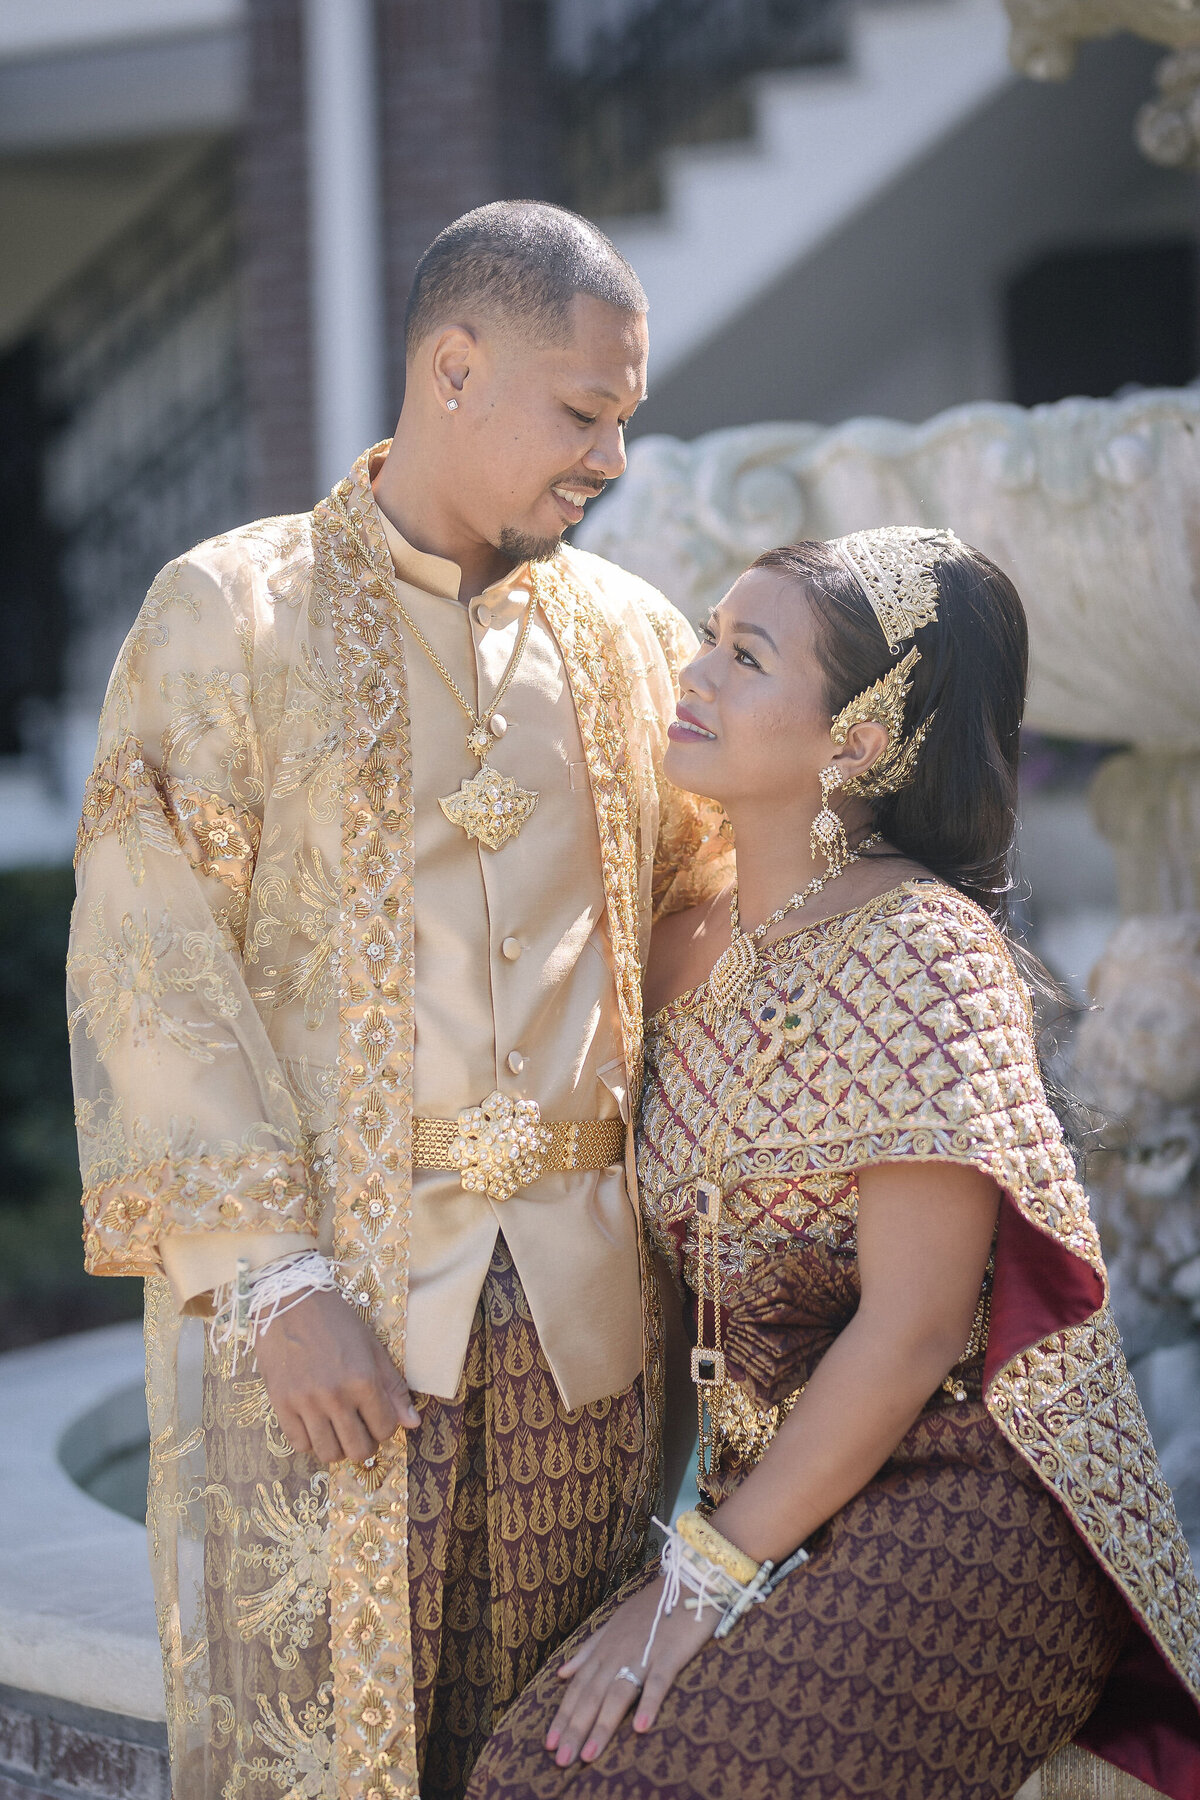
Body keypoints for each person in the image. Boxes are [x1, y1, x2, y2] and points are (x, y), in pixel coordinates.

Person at [67, 201, 729, 1800]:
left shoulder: (639, 639)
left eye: (625, 420)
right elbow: (146, 946)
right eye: (584, 412)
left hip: (596, 1343)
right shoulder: (233, 612)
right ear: (453, 365)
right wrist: (275, 1282)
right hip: (337, 1329)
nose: (612, 460)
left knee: (566, 1766)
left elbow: (707, 890)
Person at [468, 529, 1200, 1800]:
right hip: (775, 1496)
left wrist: (694, 1582)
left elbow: (914, 1332)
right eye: (708, 634)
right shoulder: (681, 945)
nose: (690, 673)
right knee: (521, 1771)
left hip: (970, 1510)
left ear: (857, 740)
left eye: (743, 656)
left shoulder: (927, 947)